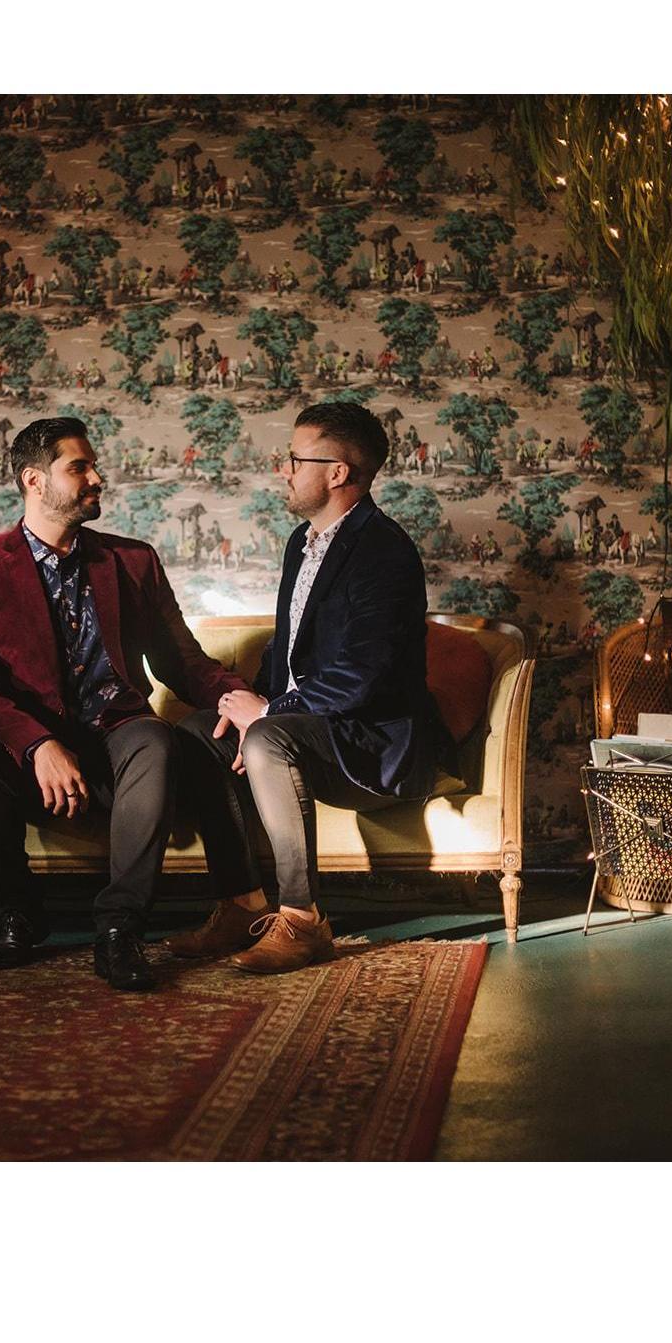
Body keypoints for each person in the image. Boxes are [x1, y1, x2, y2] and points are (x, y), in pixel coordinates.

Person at [0, 417, 250, 991]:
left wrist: (238, 696)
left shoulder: (133, 561)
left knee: (156, 741)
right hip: (26, 746)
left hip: (117, 732)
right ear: (34, 480)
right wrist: (37, 744)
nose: (97, 477)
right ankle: (18, 912)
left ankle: (119, 928)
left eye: (93, 465)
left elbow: (180, 660)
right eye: (79, 467)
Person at [171, 401, 449, 973]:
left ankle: (302, 921)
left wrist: (269, 712)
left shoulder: (385, 551)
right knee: (200, 732)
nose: (285, 470)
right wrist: (245, 708)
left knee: (267, 736)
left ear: (338, 472)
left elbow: (363, 675)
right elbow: (288, 650)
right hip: (307, 728)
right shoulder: (302, 541)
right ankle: (243, 906)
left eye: (296, 459)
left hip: (369, 743)